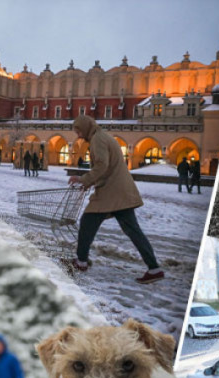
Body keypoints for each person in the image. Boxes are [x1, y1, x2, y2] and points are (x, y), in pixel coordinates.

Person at [67, 114, 164, 284]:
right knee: (133, 231)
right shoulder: (102, 136)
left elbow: (102, 165)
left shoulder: (98, 139)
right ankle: (154, 268)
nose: (78, 135)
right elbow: (107, 166)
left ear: (86, 127)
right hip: (120, 191)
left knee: (88, 221)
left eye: (79, 131)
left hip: (112, 191)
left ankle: (81, 262)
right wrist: (90, 183)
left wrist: (83, 179)